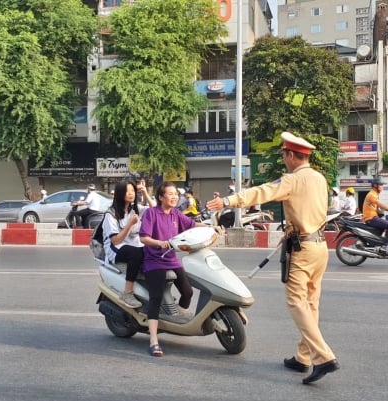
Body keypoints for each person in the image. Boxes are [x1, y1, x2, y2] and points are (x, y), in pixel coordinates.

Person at [206, 131, 338, 385]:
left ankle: (323, 357)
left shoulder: (293, 179)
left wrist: (227, 200)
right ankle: (303, 357)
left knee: (297, 302)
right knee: (311, 303)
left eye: (284, 155)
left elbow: (262, 192)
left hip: (303, 249)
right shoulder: (319, 178)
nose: (284, 159)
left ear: (290, 155)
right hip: (319, 246)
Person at [139, 181, 207, 357]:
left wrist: (210, 228)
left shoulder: (176, 214)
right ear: (161, 197)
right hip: (154, 261)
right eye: (170, 194)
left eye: (176, 194)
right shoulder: (151, 213)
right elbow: (144, 238)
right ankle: (153, 340)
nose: (174, 196)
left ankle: (174, 319)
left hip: (172, 260)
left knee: (188, 292)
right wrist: (159, 243)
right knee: (156, 297)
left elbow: (192, 225)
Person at [103, 179, 155, 308]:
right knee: (136, 254)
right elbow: (115, 240)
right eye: (127, 191)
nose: (130, 194)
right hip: (116, 247)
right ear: (120, 194)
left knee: (153, 251)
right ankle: (127, 292)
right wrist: (129, 224)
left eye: (132, 191)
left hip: (134, 244)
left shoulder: (135, 209)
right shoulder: (111, 214)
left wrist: (146, 194)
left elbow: (155, 210)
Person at [362, 178, 388, 255]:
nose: (382, 186)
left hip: (373, 217)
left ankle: (384, 243)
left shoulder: (375, 194)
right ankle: (385, 246)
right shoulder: (372, 194)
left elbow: (378, 208)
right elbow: (382, 206)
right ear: (375, 185)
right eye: (381, 185)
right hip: (371, 218)